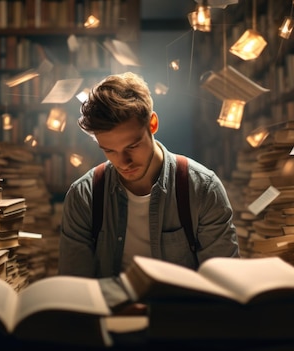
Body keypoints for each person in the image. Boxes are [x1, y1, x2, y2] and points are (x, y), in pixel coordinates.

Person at [58, 72, 239, 279]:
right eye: (109, 151)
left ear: (152, 124)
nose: (123, 162)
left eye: (132, 146)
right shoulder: (84, 196)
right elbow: (74, 288)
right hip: (110, 311)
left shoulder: (202, 189)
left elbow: (225, 284)